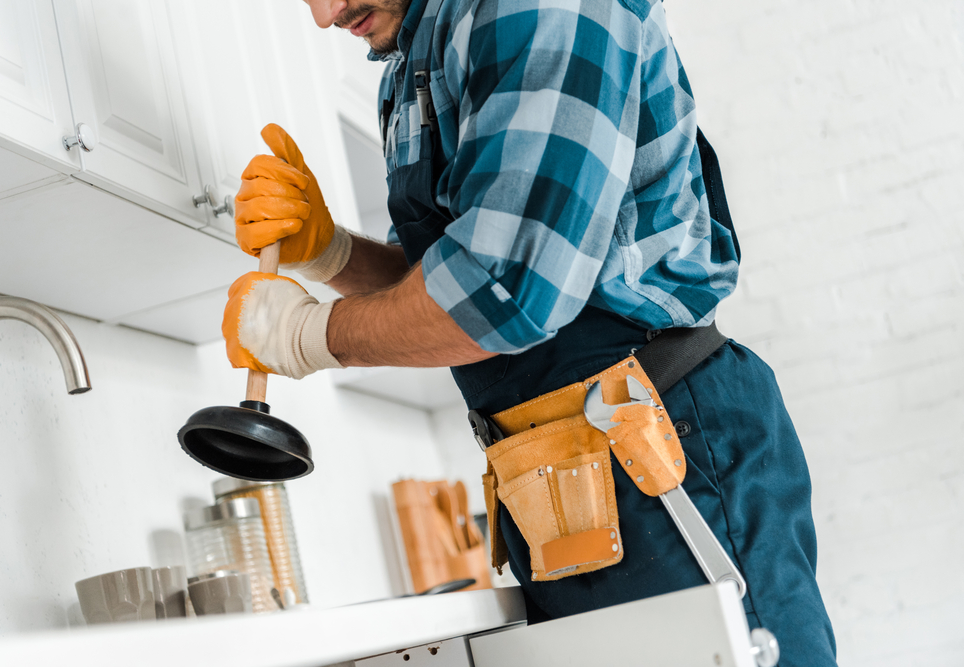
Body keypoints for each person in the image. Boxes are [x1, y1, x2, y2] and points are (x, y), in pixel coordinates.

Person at [223, 0, 838, 664]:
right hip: (554, 477)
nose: (324, 13)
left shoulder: (541, 7)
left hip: (655, 453)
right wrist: (332, 255)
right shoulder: (412, 62)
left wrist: (305, 335)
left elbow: (507, 291)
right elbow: (446, 280)